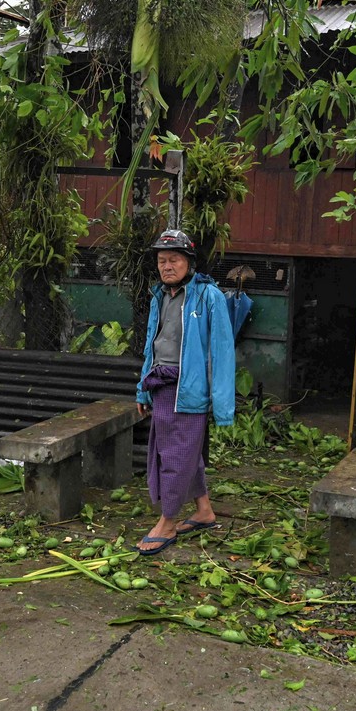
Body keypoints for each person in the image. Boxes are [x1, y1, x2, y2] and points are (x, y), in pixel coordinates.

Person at [135, 229, 235, 555]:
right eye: (162, 260)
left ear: (189, 262)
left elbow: (221, 353)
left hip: (188, 391)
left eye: (174, 260)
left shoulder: (209, 297)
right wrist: (142, 390)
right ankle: (204, 511)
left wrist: (222, 407)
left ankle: (167, 522)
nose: (167, 266)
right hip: (162, 386)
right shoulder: (159, 296)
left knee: (176, 457)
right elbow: (153, 346)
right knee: (180, 453)